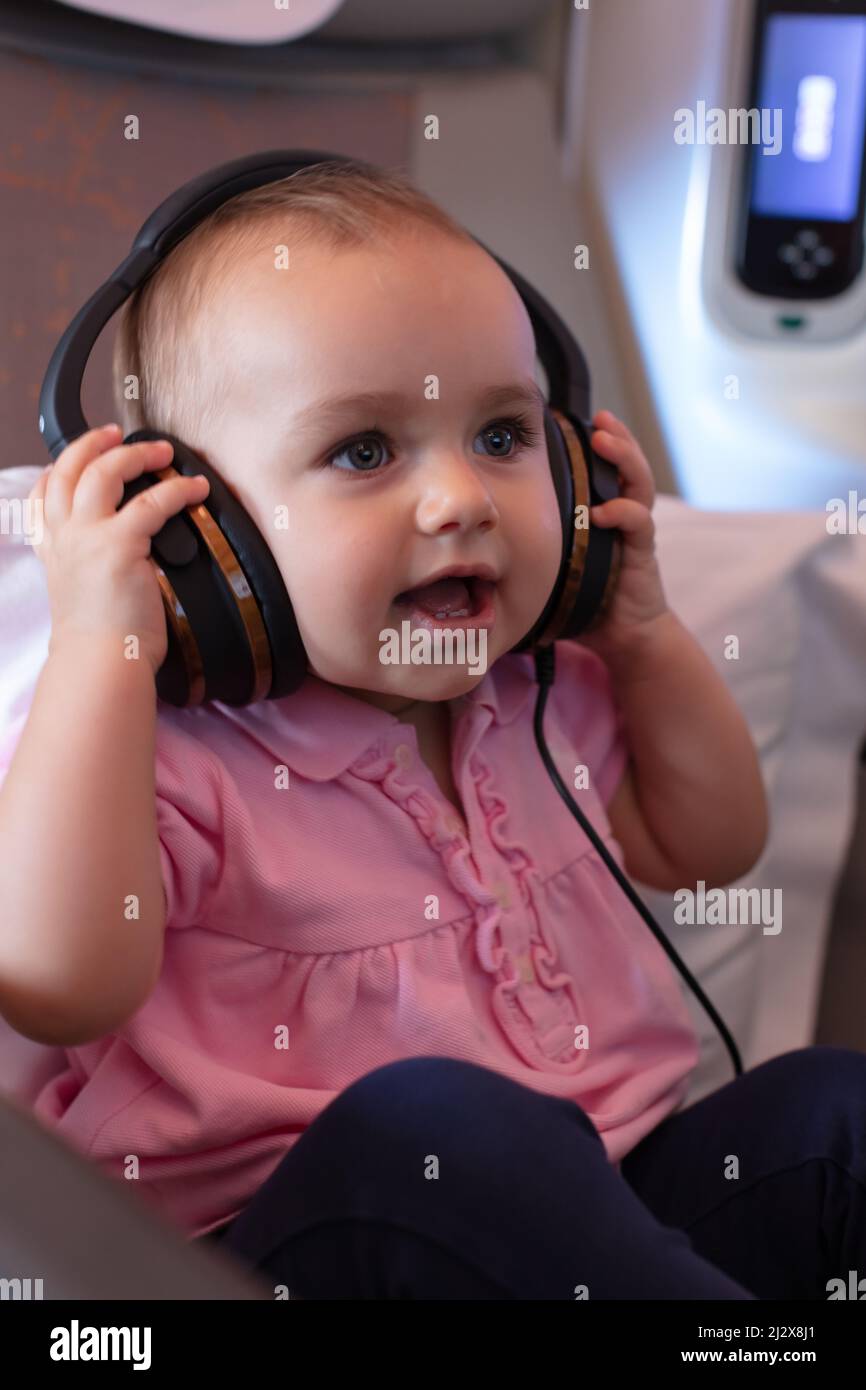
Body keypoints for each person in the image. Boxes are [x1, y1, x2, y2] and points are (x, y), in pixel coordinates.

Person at [1, 159, 864, 1299]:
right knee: (444, 1129)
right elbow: (57, 979)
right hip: (286, 1242)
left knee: (827, 1115)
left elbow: (707, 843)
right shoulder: (178, 761)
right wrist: (101, 648)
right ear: (202, 543)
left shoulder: (537, 698)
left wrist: (640, 631)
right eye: (363, 451)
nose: (460, 498)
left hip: (606, 1205)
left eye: (503, 437)